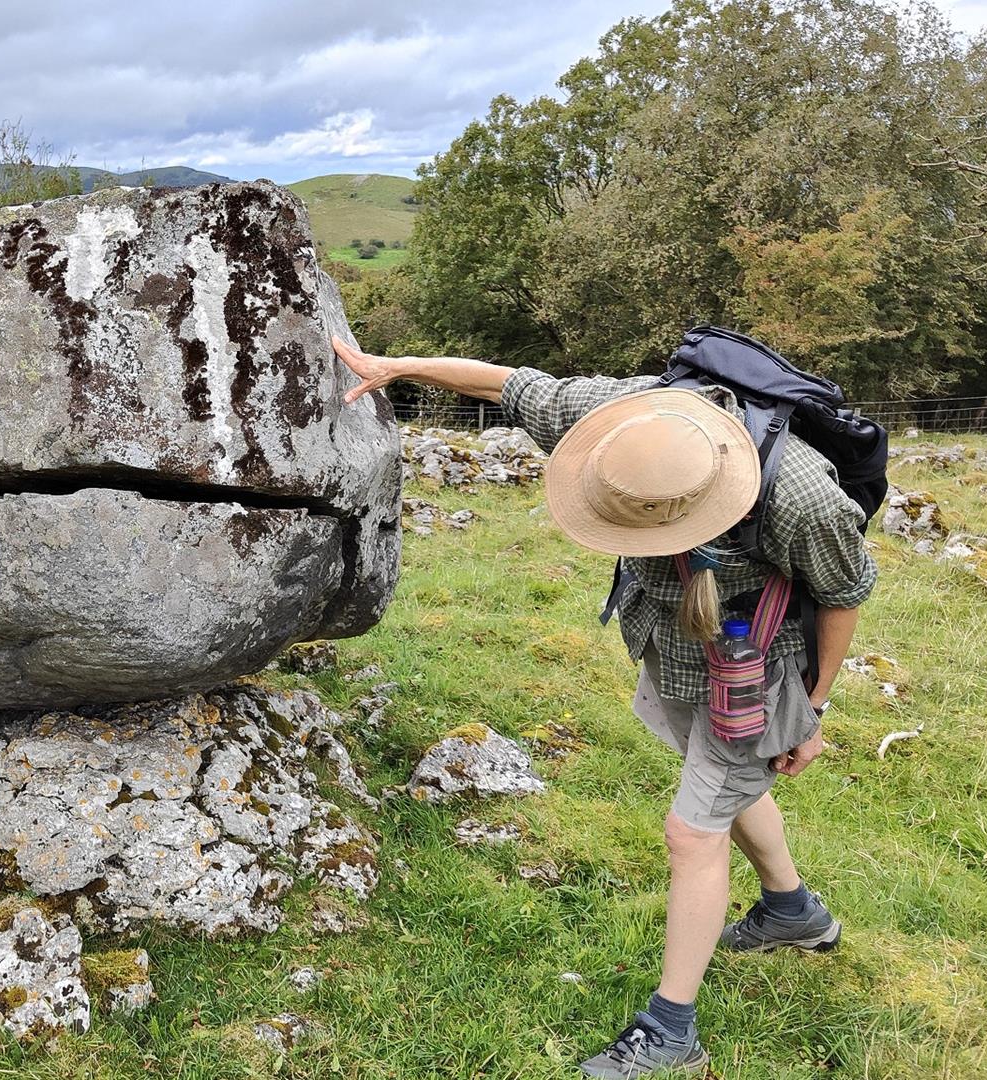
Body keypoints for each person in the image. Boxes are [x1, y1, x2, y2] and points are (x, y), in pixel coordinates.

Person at [333, 338, 874, 1079]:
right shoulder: (615, 417)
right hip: (674, 643)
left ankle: (671, 1031)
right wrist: (396, 369)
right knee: (713, 783)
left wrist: (812, 708)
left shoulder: (800, 496)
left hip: (761, 670)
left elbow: (844, 593)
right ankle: (792, 912)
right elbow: (508, 380)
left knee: (692, 832)